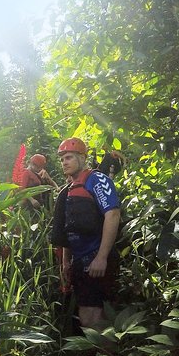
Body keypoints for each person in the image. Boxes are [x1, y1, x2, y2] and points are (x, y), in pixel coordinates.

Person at [51, 137, 121, 328]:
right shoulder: (68, 191)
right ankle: (93, 354)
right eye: (62, 159)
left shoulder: (96, 180)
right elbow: (67, 228)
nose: (64, 162)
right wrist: (65, 262)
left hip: (97, 257)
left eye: (69, 157)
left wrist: (102, 257)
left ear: (82, 158)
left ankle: (106, 354)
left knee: (96, 314)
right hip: (79, 262)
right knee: (85, 313)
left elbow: (112, 214)